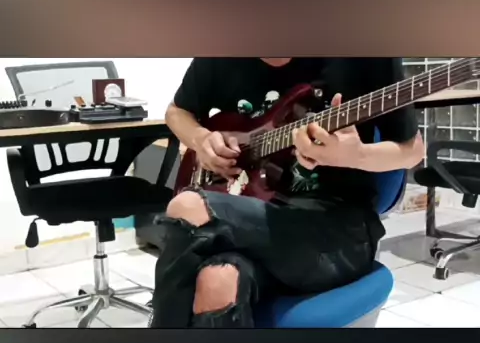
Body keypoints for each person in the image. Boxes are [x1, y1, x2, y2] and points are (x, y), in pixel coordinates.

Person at [150, 57, 424, 328]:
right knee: (218, 280)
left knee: (188, 207)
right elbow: (176, 112)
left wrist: (356, 155)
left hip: (335, 230)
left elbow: (413, 151)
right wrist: (200, 139)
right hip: (253, 215)